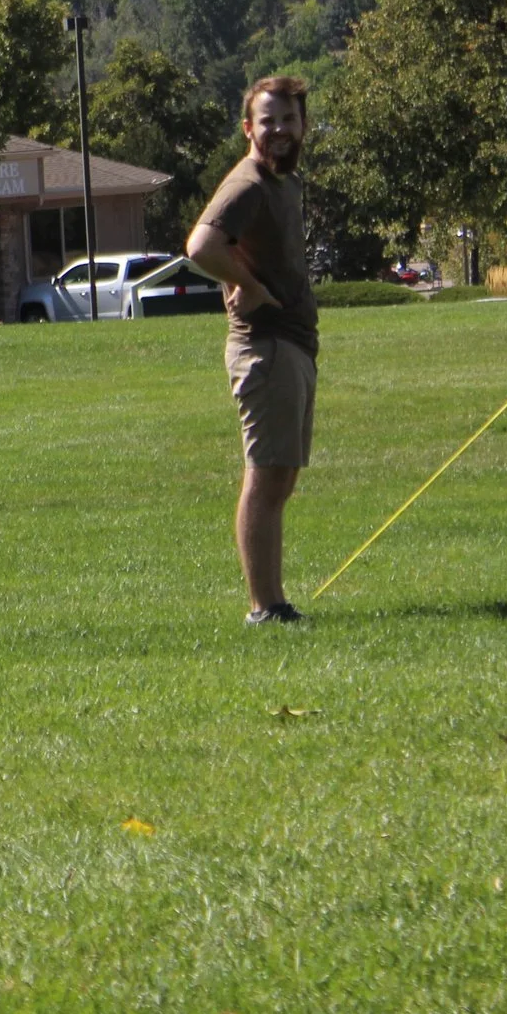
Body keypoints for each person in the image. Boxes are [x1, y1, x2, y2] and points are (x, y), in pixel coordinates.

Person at [186, 75, 319, 626]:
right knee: (265, 477)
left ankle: (273, 600)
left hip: (289, 344)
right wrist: (251, 287)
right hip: (265, 348)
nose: (280, 130)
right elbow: (201, 246)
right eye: (268, 121)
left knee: (280, 475)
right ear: (248, 128)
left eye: (289, 119)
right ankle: (266, 608)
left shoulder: (281, 183)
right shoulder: (248, 184)